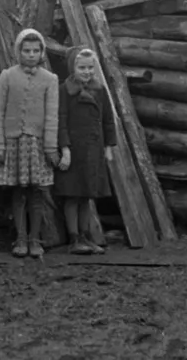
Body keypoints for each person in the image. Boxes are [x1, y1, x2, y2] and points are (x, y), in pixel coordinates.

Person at [0, 28, 60, 258]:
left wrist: (50, 147)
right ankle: (20, 238)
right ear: (18, 51)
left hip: (37, 145)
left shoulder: (50, 80)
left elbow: (52, 115)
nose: (31, 54)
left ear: (42, 53)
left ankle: (35, 239)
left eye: (35, 50)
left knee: (36, 192)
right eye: (26, 50)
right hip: (14, 144)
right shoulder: (7, 76)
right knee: (18, 191)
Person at [56, 46, 115, 255]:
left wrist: (108, 146)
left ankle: (85, 237)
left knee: (86, 195)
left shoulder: (99, 90)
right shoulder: (65, 89)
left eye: (90, 67)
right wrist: (65, 149)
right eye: (82, 67)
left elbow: (108, 120)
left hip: (93, 150)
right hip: (74, 151)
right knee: (72, 194)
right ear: (73, 67)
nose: (87, 72)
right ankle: (74, 239)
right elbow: (60, 120)